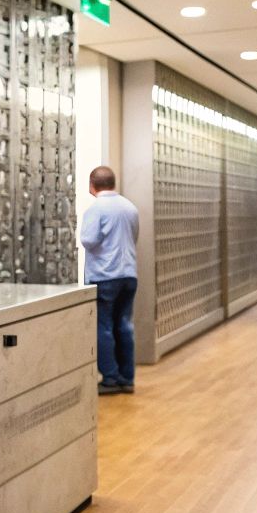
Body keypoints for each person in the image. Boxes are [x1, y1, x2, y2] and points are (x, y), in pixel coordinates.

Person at [80, 165, 139, 395]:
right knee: (124, 325)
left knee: (103, 326)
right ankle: (127, 377)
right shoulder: (130, 207)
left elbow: (88, 240)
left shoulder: (96, 209)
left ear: (92, 185)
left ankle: (110, 378)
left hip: (105, 276)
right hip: (128, 275)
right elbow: (134, 237)